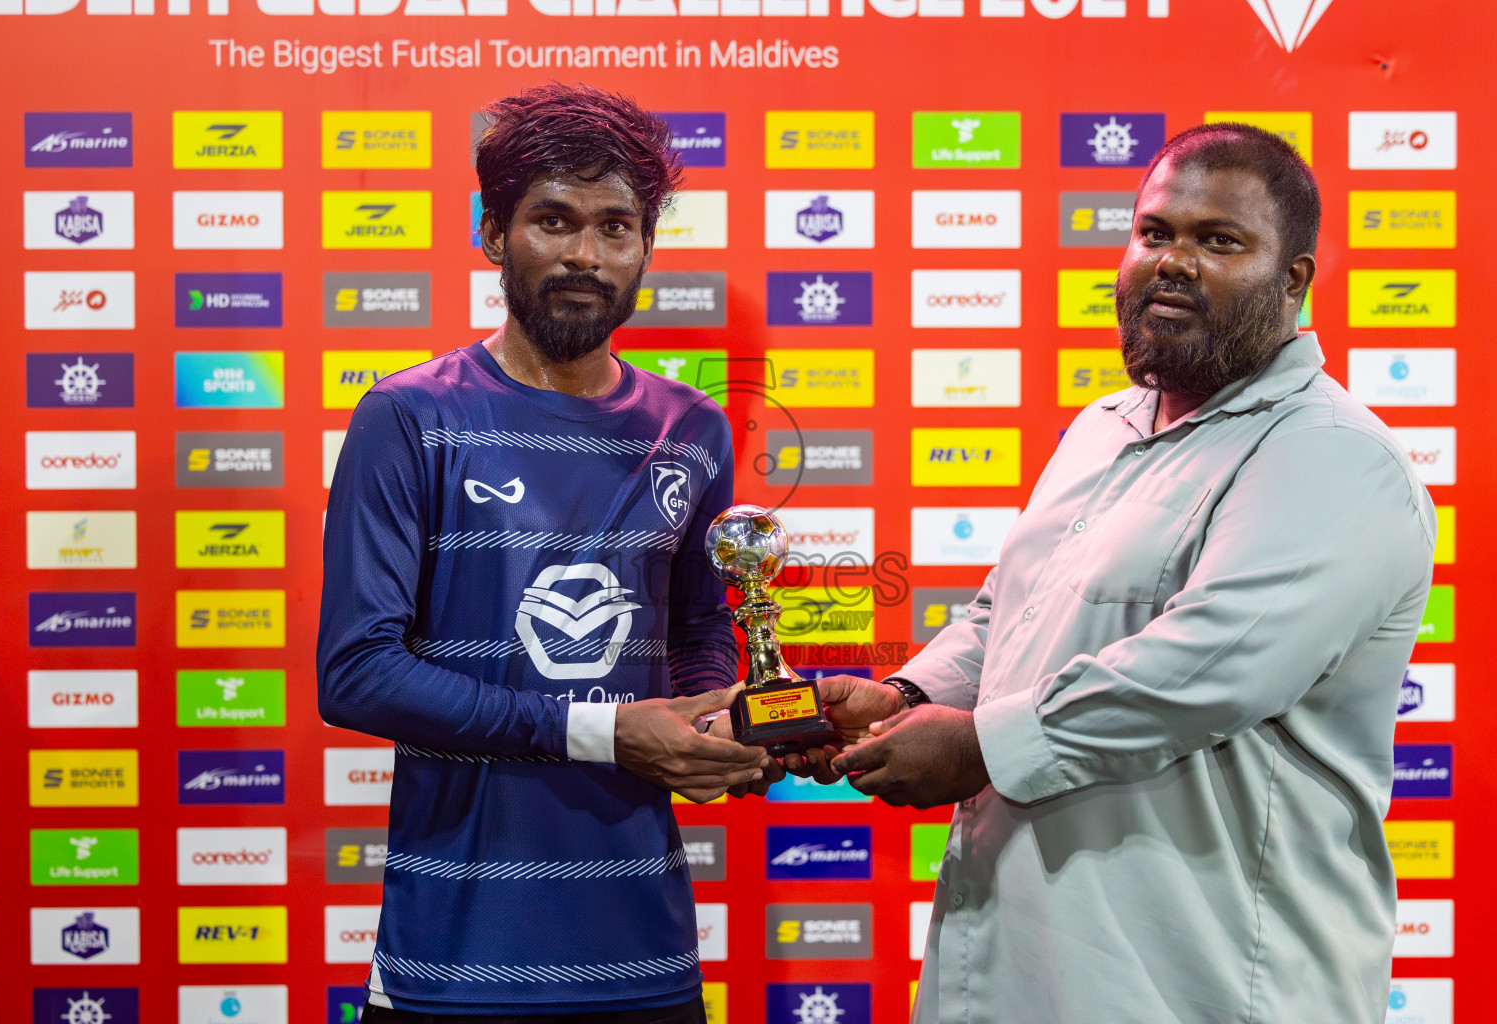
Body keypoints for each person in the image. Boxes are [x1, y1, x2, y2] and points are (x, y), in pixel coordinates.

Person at [814, 124, 1437, 1022]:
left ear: (1293, 281)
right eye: (1156, 233)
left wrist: (976, 746)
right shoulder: (1105, 426)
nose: (1174, 262)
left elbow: (1203, 672)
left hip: (1205, 981)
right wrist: (908, 697)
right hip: (1022, 963)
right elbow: (1011, 616)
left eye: (1219, 241)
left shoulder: (1333, 456)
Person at [318, 83, 770, 1023]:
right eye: (552, 220)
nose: (584, 256)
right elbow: (357, 673)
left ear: (647, 246)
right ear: (492, 232)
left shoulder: (694, 430)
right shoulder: (411, 418)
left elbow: (697, 627)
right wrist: (603, 730)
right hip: (458, 965)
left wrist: (718, 713)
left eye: (616, 227)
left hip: (644, 958)